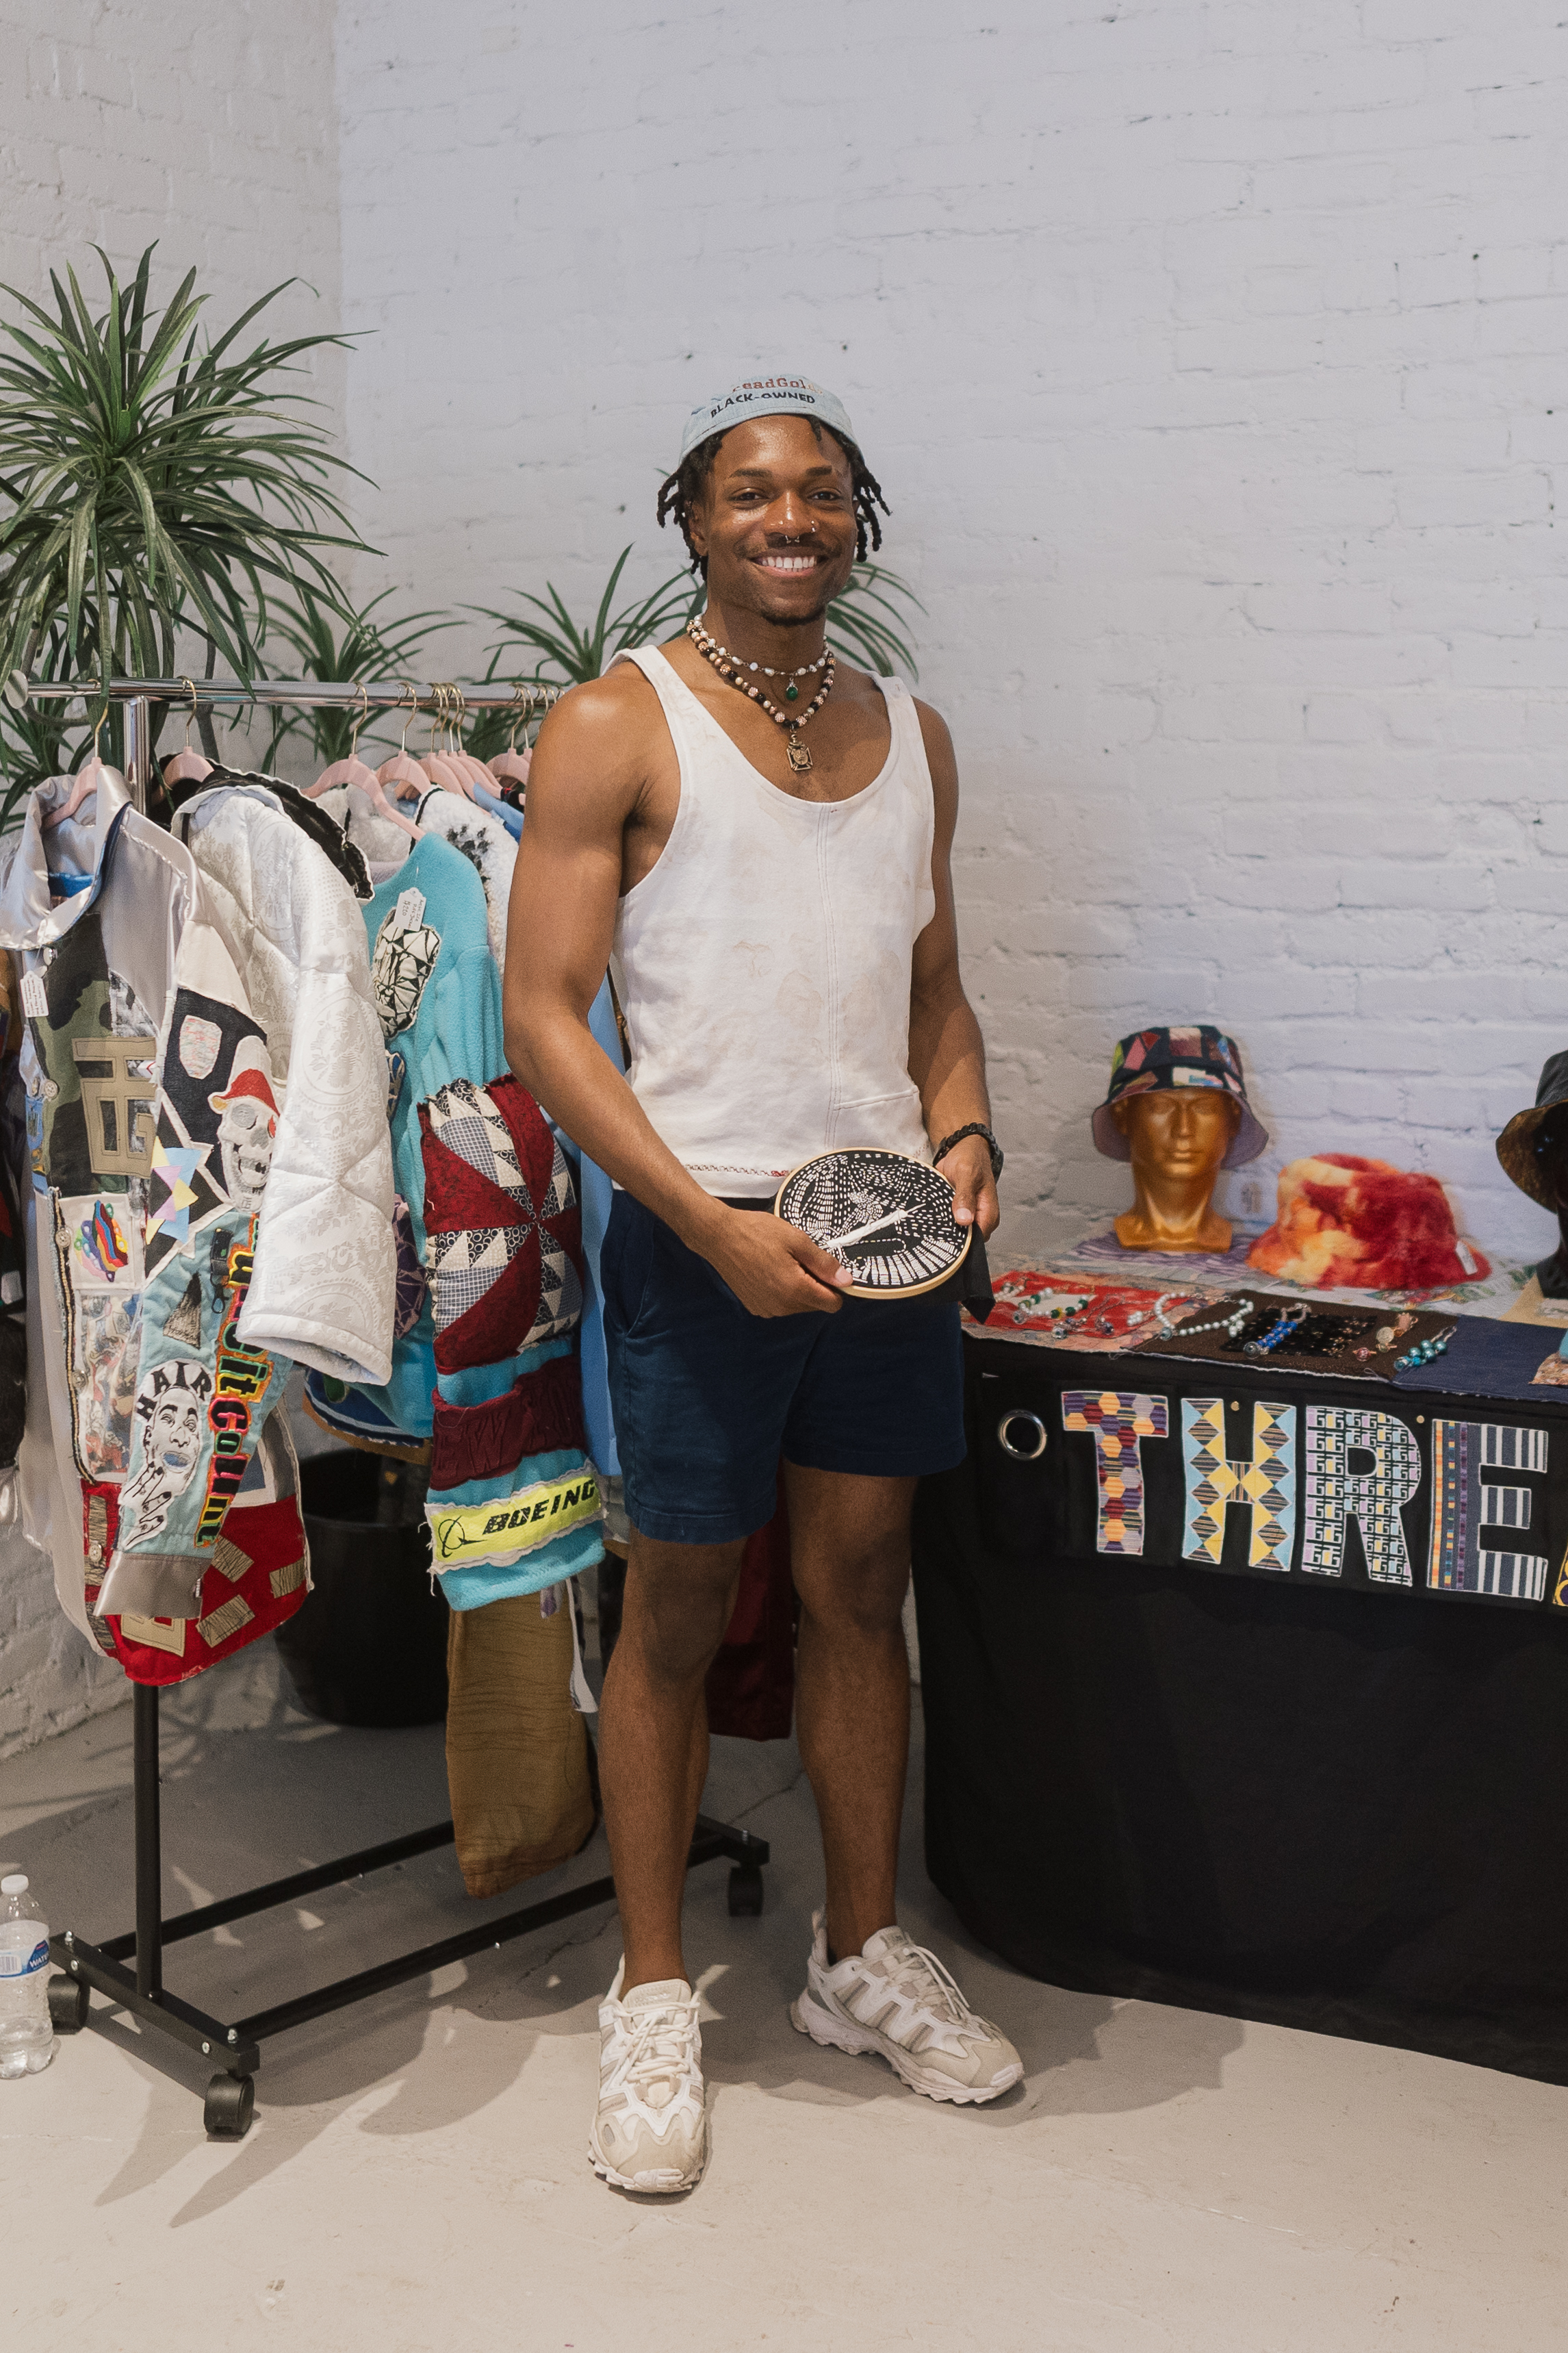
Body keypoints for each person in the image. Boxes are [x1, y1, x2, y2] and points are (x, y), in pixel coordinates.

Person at [505, 376, 1020, 2194]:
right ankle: (653, 1995)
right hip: (697, 1232)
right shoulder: (611, 722)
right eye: (748, 492)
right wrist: (708, 1225)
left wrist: (961, 1139)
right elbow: (543, 1016)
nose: (785, 517)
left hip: (884, 1236)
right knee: (677, 1601)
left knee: (859, 1581)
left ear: (855, 521)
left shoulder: (915, 734)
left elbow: (933, 985)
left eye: (818, 491)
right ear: (695, 518)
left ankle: (852, 1951)